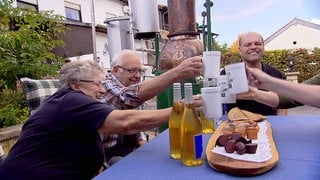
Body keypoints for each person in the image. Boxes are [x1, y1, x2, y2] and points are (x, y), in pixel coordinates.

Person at [0, 60, 203, 179]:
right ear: (75, 84)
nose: (103, 89)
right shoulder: (71, 100)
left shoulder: (71, 102)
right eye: (97, 84)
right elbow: (125, 122)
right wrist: (184, 109)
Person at [101, 49, 203, 166]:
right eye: (132, 70)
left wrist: (144, 146)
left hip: (130, 150)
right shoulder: (106, 86)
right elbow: (128, 99)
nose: (138, 75)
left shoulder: (128, 86)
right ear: (115, 70)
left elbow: (138, 124)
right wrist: (178, 73)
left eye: (140, 71)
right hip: (110, 155)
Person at [221, 31, 287, 115]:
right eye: (247, 45)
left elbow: (283, 107)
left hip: (270, 125)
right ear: (239, 50)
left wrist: (279, 124)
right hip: (238, 125)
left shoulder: (276, 74)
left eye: (257, 43)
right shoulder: (227, 73)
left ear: (263, 47)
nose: (253, 47)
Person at [238, 68, 320, 108]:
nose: (253, 47)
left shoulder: (274, 71)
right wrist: (254, 94)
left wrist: (269, 82)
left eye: (257, 43)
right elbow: (293, 97)